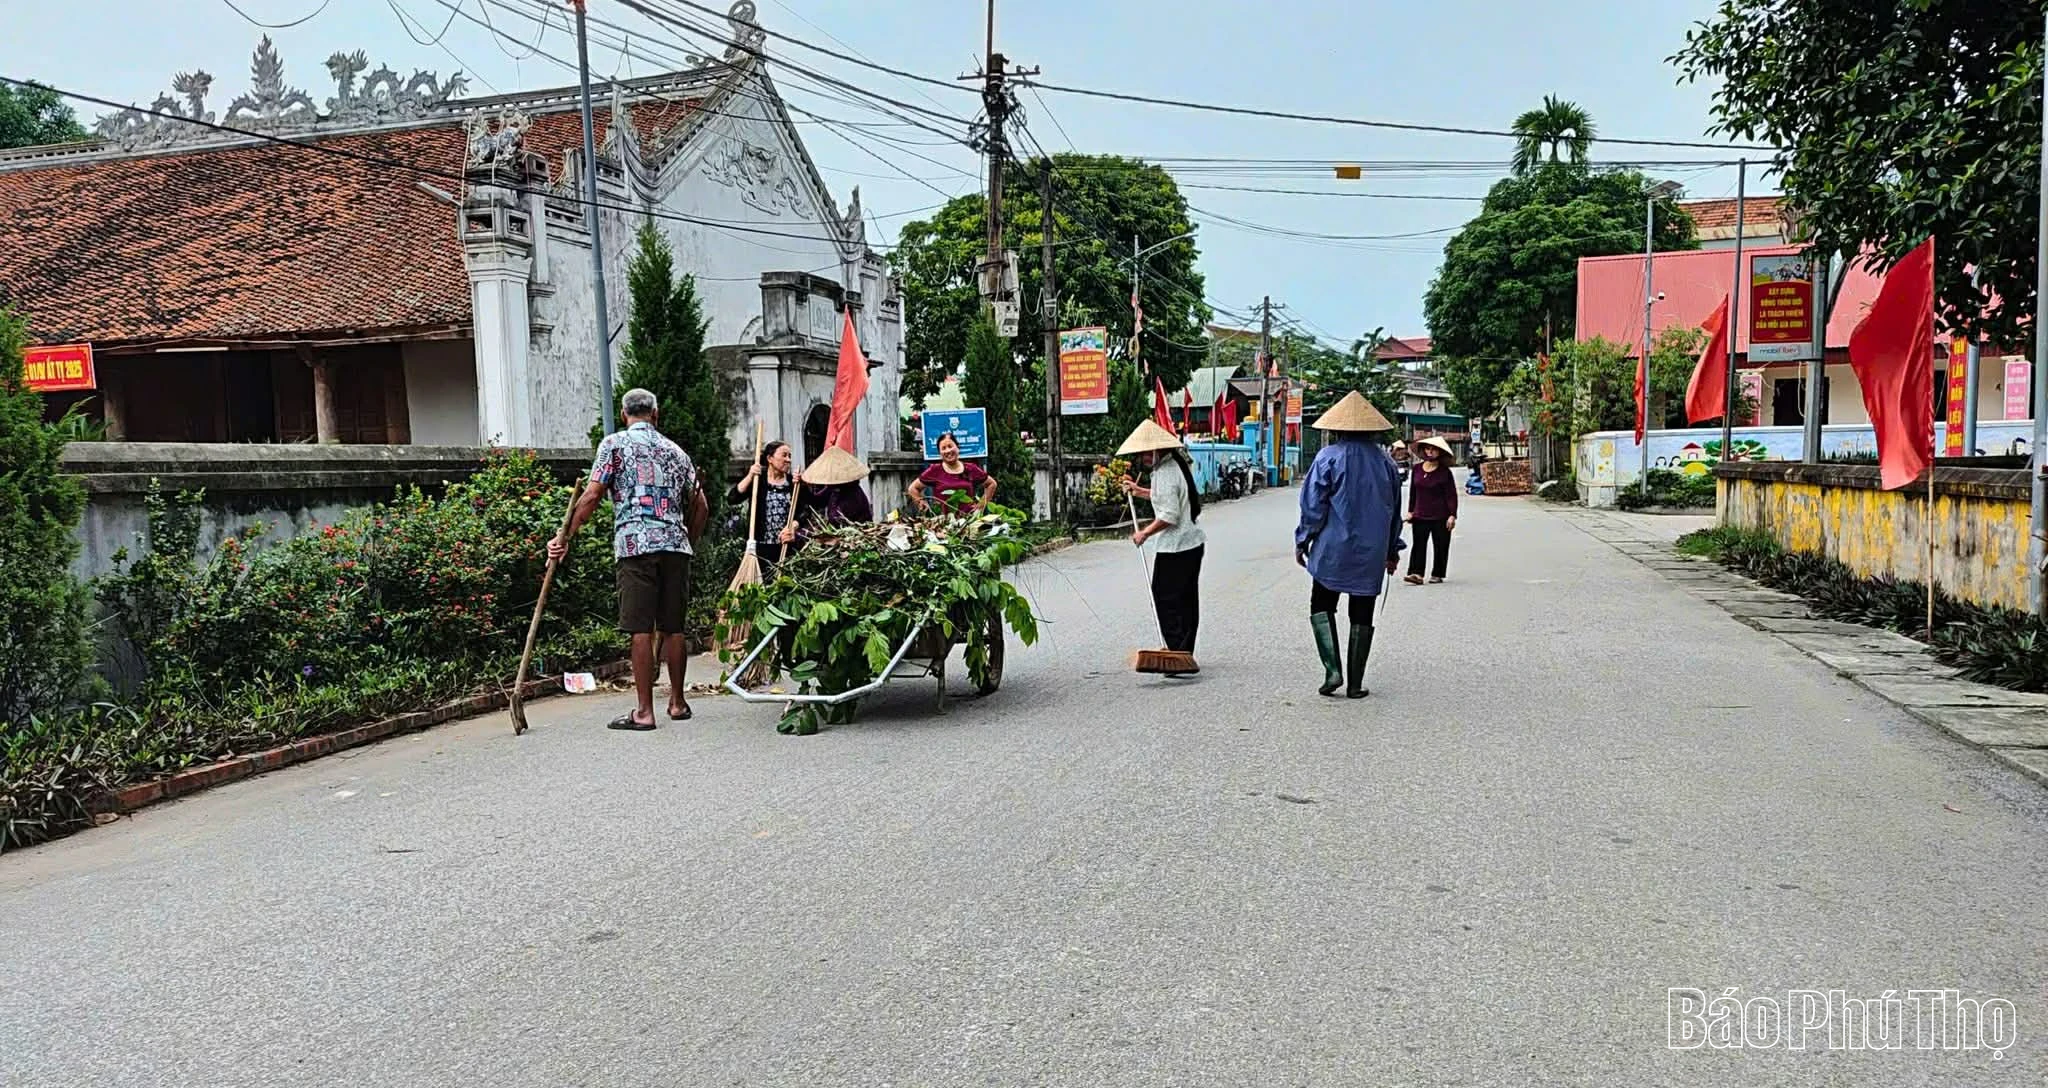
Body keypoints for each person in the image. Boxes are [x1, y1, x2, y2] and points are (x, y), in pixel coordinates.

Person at [550, 388, 708, 730]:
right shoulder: (675, 452)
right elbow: (701, 505)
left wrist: (565, 536)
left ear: (624, 415)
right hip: (674, 546)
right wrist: (687, 540)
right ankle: (678, 703)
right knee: (673, 627)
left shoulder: (614, 445)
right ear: (656, 413)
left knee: (639, 627)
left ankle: (644, 712)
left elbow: (592, 494)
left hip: (636, 545)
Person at [1294, 391, 1404, 699]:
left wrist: (1303, 540)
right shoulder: (1385, 462)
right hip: (1372, 551)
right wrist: (1392, 549)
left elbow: (1313, 507)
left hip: (1332, 548)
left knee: (1321, 604)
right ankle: (1355, 683)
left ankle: (1332, 670)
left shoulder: (1327, 458)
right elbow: (1395, 510)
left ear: (1336, 428)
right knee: (1362, 609)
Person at [1118, 419, 1206, 675]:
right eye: (1142, 453)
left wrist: (1144, 533)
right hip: (1190, 544)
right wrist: (1138, 491)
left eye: (1147, 452)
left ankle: (1177, 652)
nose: (1143, 457)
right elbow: (1163, 496)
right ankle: (1183, 652)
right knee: (1185, 599)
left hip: (1177, 547)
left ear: (1158, 450)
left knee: (1166, 597)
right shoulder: (1170, 467)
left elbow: (1169, 515)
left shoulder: (1166, 472)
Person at [729, 439, 799, 571]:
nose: (788, 460)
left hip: (785, 547)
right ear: (770, 458)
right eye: (784, 455)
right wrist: (750, 475)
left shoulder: (793, 483)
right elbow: (733, 498)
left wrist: (793, 526)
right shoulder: (758, 481)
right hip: (760, 548)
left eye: (789, 456)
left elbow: (804, 512)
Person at [1405, 436, 1459, 585]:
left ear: (1439, 452)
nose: (1430, 452)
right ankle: (1416, 573)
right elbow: (1413, 493)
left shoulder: (1444, 472)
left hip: (1441, 515)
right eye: (1427, 449)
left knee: (1441, 545)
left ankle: (1438, 573)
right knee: (1418, 545)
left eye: (1433, 449)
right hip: (1420, 514)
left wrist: (1452, 515)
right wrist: (1410, 511)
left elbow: (1451, 495)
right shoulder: (1416, 469)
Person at [907, 432, 996, 515]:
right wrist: (921, 502)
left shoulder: (971, 469)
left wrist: (981, 505)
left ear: (957, 447)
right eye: (943, 448)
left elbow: (991, 484)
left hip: (968, 520)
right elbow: (913, 488)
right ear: (940, 453)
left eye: (950, 446)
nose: (948, 451)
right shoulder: (934, 470)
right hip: (943, 523)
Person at [794, 445, 874, 537]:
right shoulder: (834, 489)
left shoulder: (854, 493)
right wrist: (802, 486)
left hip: (854, 536)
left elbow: (841, 523)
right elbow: (816, 502)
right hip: (840, 535)